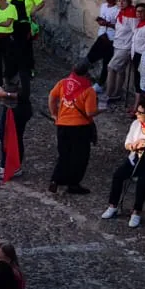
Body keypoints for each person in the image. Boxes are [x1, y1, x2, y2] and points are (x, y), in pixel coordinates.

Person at [102, 95, 145, 229]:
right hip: (136, 157)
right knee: (118, 175)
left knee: (142, 181)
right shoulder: (136, 124)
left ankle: (136, 212)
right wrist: (133, 146)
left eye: (140, 112)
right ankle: (113, 205)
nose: (137, 114)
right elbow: (127, 143)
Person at [48, 61, 101, 193]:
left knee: (64, 155)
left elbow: (52, 97)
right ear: (87, 73)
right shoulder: (88, 90)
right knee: (80, 157)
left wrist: (54, 114)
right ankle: (73, 184)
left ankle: (55, 179)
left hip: (63, 125)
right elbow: (90, 112)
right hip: (80, 128)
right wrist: (102, 110)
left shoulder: (63, 83)